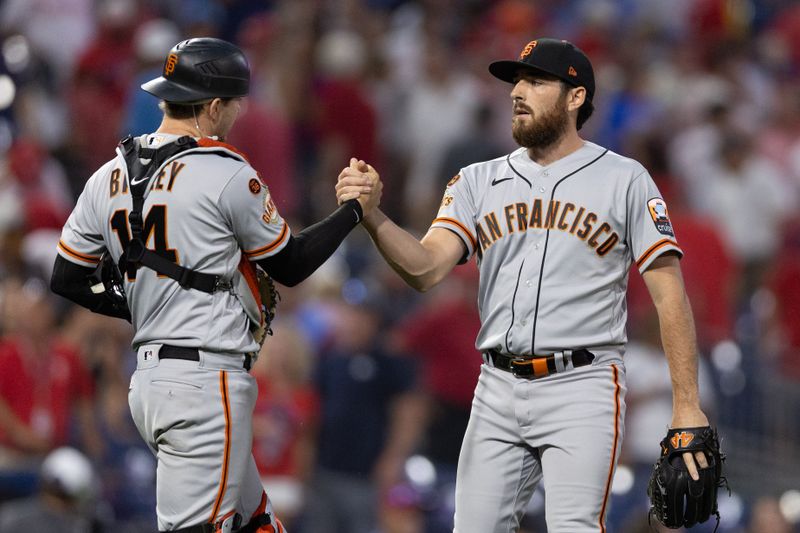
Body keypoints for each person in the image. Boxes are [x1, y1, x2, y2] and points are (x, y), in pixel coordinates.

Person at [336, 38, 712, 532]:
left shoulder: (625, 179)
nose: (518, 91)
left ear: (575, 97)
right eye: (516, 81)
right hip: (496, 385)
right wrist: (374, 217)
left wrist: (687, 406)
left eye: (536, 81)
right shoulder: (477, 180)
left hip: (583, 383)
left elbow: (670, 298)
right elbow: (426, 268)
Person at [50, 37, 380, 533]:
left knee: (257, 521)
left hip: (151, 382)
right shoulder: (225, 173)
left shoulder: (108, 174)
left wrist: (144, 305)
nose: (237, 112)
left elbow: (68, 276)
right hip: (204, 383)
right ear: (211, 107)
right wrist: (354, 210)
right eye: (232, 103)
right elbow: (290, 264)